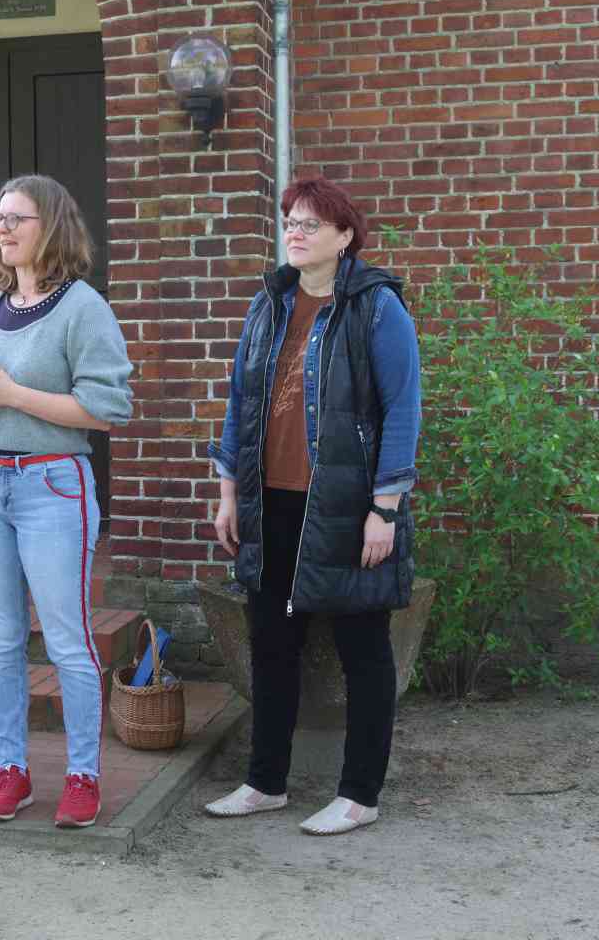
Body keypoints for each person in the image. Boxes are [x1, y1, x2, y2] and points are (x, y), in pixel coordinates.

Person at [205, 177, 421, 835]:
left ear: (345, 236)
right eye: (290, 222)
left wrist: (384, 508)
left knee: (363, 646)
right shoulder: (270, 303)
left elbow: (402, 408)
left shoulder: (376, 307)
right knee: (272, 643)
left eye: (310, 224)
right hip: (271, 503)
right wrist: (228, 491)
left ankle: (360, 794)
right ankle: (265, 782)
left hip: (348, 505)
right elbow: (242, 401)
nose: (294, 233)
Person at [0, 174, 133, 829]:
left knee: (67, 642)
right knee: (0, 642)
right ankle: (13, 772)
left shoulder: (84, 307)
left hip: (54, 487)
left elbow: (108, 409)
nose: (2, 228)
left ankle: (83, 777)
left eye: (16, 218)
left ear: (50, 226)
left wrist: (11, 395)